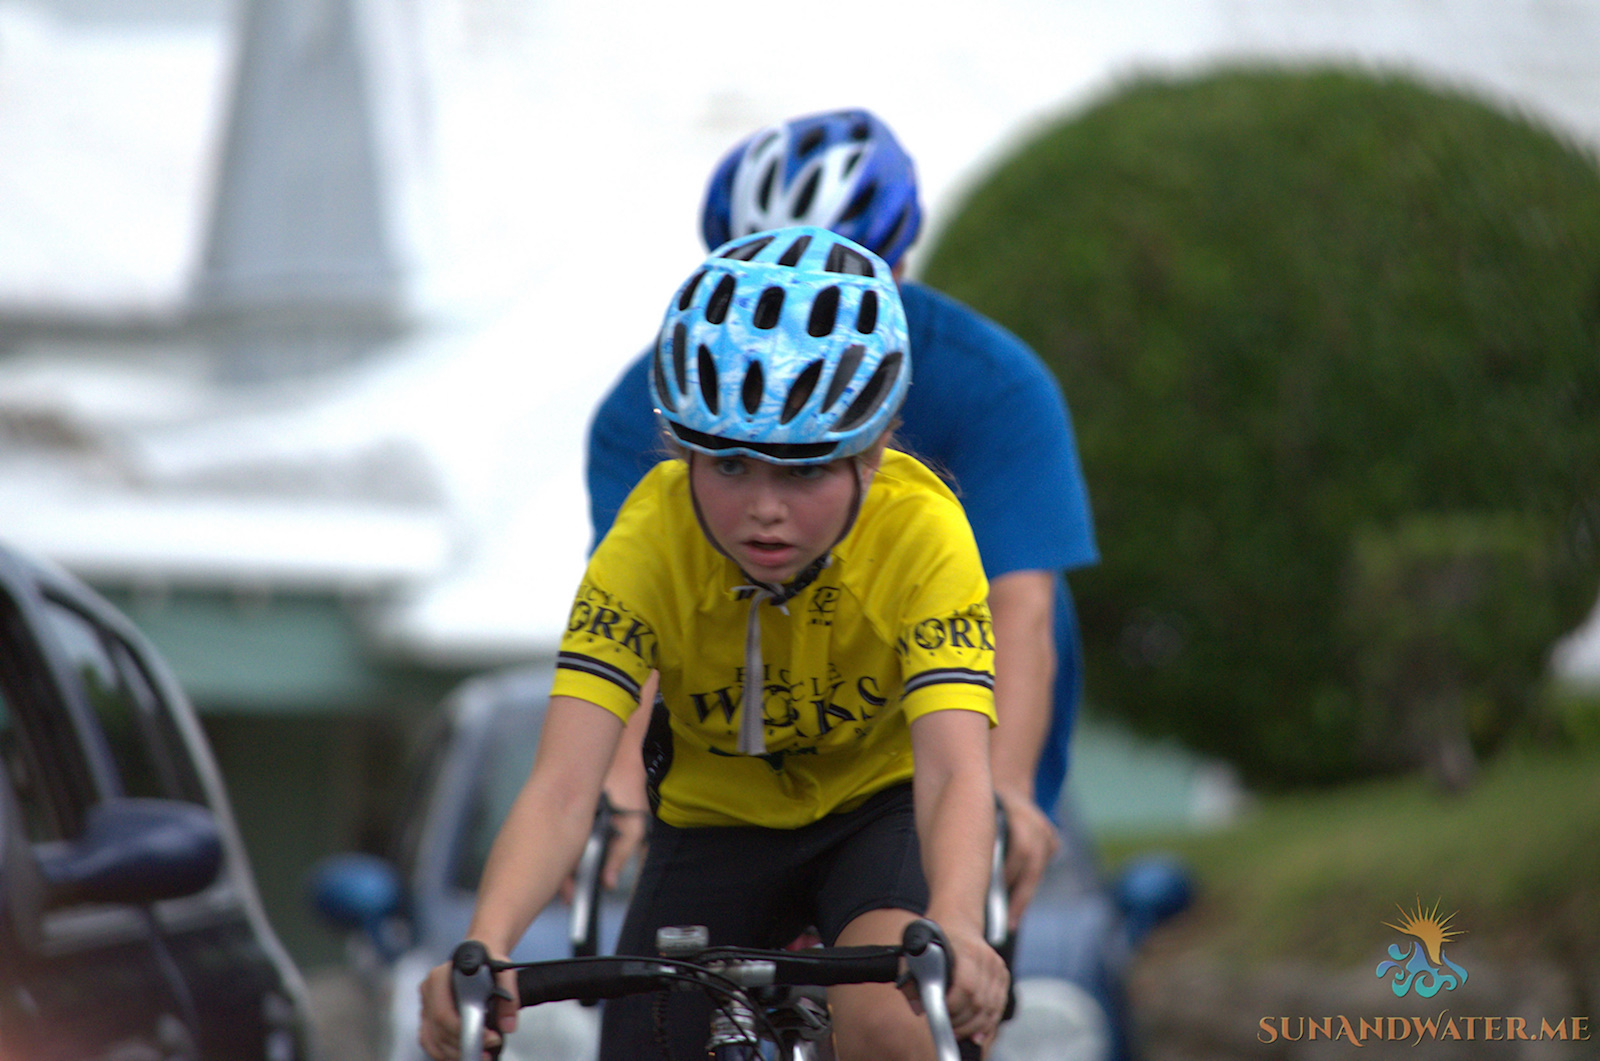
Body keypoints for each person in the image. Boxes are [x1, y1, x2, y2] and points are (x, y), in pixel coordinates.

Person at [419, 227, 1009, 1061]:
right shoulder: (649, 539)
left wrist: (955, 920)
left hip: (876, 814)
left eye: (802, 469)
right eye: (728, 466)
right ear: (680, 450)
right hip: (714, 823)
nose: (762, 507)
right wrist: (482, 947)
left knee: (895, 1017)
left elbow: (953, 768)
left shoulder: (924, 534)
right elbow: (561, 784)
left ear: (873, 453)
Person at [585, 109, 1097, 929]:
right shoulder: (643, 407)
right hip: (741, 766)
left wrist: (1006, 790)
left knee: (915, 983)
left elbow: (1021, 607)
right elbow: (634, 622)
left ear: (899, 259)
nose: (798, 309)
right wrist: (616, 792)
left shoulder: (997, 382)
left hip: (934, 741)